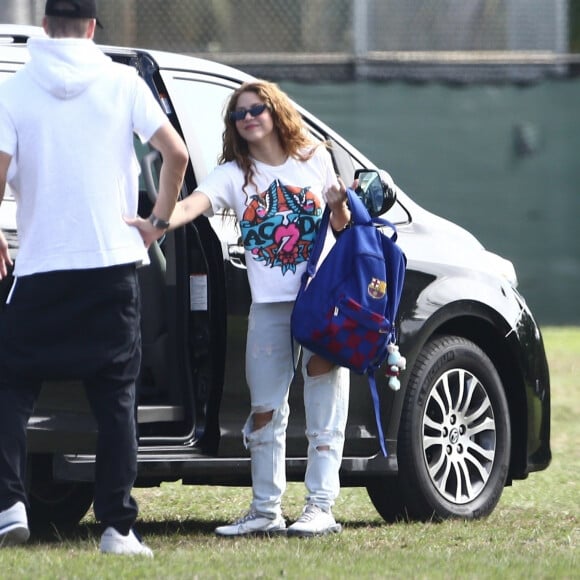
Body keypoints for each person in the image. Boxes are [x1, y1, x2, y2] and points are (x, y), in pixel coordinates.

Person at [0, 0, 188, 556]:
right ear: (90, 27)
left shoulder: (14, 89)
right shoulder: (123, 81)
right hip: (110, 264)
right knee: (115, 399)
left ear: (44, 27)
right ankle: (116, 528)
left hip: (39, 266)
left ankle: (9, 503)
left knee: (10, 386)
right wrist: (156, 222)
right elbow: (175, 154)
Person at [129, 79, 352, 537]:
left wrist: (337, 206)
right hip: (270, 307)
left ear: (276, 112)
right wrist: (157, 222)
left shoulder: (315, 159)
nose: (248, 118)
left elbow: (342, 225)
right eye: (239, 114)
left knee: (324, 403)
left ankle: (321, 506)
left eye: (256, 109)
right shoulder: (235, 174)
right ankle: (266, 509)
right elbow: (194, 204)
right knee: (266, 409)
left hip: (320, 302)